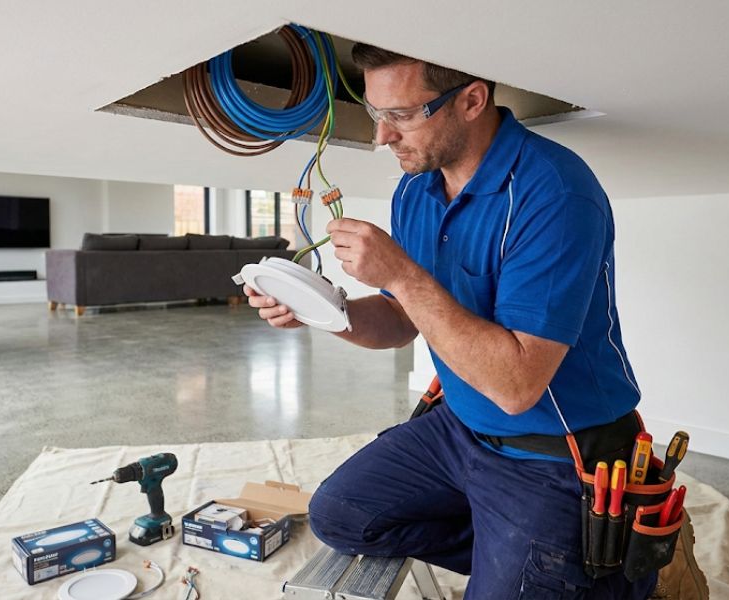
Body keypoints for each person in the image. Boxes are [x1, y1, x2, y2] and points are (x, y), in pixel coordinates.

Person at [244, 44, 692, 599]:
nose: (382, 136)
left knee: (541, 576)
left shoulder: (555, 192)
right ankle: (536, 563)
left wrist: (404, 274)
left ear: (472, 100)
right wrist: (322, 312)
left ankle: (591, 569)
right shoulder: (417, 186)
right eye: (375, 113)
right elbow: (399, 320)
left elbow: (516, 386)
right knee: (340, 515)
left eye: (402, 115)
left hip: (555, 451)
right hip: (460, 429)